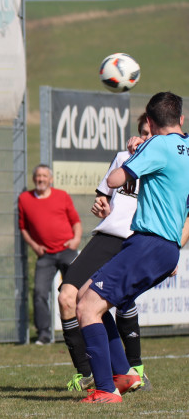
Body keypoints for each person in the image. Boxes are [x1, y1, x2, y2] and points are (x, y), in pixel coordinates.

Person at [77, 91, 189, 404]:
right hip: (165, 247)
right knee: (90, 296)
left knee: (86, 307)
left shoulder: (157, 144)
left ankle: (105, 390)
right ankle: (123, 374)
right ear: (181, 119)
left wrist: (134, 154)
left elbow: (114, 180)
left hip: (148, 242)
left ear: (150, 123)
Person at [58, 114, 152, 392]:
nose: (144, 138)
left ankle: (124, 371)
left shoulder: (162, 162)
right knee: (74, 298)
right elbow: (105, 196)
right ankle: (109, 372)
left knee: (95, 302)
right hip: (107, 235)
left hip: (132, 241)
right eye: (142, 132)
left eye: (151, 133)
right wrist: (104, 207)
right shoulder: (124, 157)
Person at [18, 164, 82, 345]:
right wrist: (34, 246)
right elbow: (23, 228)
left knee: (79, 289)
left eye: (44, 176)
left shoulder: (62, 196)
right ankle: (44, 334)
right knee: (39, 292)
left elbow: (76, 222)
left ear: (51, 179)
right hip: (45, 255)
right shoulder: (24, 199)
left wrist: (76, 240)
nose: (41, 179)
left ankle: (83, 327)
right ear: (33, 179)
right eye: (38, 176)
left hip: (67, 250)